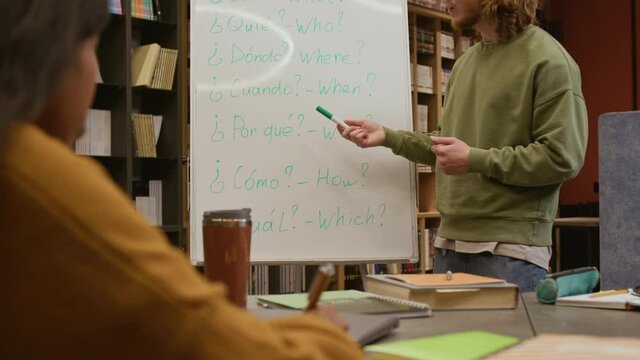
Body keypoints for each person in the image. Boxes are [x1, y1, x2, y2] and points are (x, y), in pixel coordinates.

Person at [0, 1, 363, 358]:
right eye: (94, 48)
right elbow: (207, 337)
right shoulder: (41, 181)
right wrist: (324, 336)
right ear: (49, 56)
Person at [340, 0, 587, 292]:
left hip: (510, 252)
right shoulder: (464, 64)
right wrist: (388, 137)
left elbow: (562, 157)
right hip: (448, 247)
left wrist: (474, 159)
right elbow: (448, 148)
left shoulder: (550, 60)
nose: (445, 1)